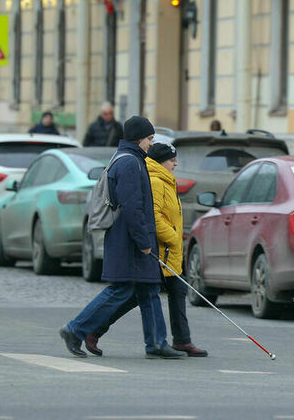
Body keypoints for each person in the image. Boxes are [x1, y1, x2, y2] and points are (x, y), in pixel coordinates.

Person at [59, 116, 184, 359]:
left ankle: (157, 343)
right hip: (130, 240)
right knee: (122, 289)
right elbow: (131, 207)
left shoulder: (132, 160)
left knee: (149, 289)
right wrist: (144, 242)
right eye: (149, 139)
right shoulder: (129, 164)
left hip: (132, 238)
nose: (151, 143)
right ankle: (75, 329)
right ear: (138, 138)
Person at [85, 143, 208, 357]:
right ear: (161, 162)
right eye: (172, 160)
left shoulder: (167, 180)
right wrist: (173, 238)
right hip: (158, 251)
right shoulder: (155, 181)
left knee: (176, 291)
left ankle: (181, 341)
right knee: (135, 296)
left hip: (170, 250)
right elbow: (154, 218)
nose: (176, 163)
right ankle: (94, 330)